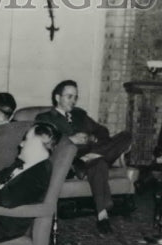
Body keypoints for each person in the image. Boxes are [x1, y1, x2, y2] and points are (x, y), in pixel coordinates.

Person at [35, 80, 132, 234]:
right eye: (69, 97)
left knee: (126, 136)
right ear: (57, 97)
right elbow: (45, 141)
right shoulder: (45, 117)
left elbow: (103, 131)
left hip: (92, 152)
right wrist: (70, 139)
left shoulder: (80, 114)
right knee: (99, 164)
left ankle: (88, 159)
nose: (73, 101)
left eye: (75, 97)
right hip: (69, 158)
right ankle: (103, 215)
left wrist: (91, 136)